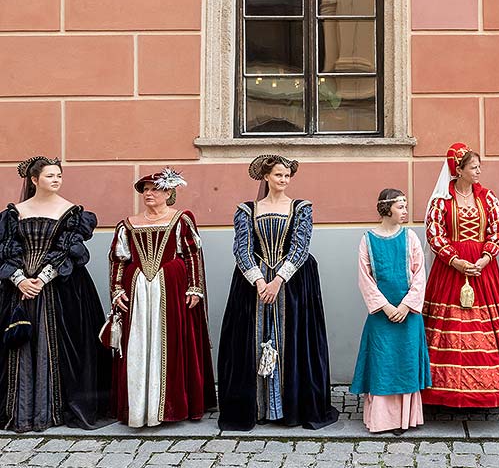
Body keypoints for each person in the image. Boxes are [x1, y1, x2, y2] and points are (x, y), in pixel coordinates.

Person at [217, 155, 339, 431]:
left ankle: (289, 408)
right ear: (266, 177)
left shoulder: (301, 208)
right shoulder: (247, 210)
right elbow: (242, 248)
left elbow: (300, 246)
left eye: (287, 176)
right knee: (253, 340)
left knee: (292, 342)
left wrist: (278, 280)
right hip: (252, 286)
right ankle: (258, 407)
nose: (283, 180)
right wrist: (260, 281)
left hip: (293, 284)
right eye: (278, 175)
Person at [0, 157, 110, 432]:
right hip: (19, 289)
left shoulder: (72, 212)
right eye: (50, 176)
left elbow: (68, 251)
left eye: (59, 175)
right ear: (34, 180)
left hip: (61, 288)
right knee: (19, 342)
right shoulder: (14, 213)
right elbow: (5, 249)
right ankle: (22, 409)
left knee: (62, 345)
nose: (56, 179)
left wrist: (41, 279)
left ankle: (54, 410)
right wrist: (19, 280)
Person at [421, 143, 499, 407]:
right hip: (450, 272)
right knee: (448, 326)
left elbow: (498, 228)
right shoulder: (441, 201)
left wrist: (485, 257)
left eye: (479, 166)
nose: (479, 171)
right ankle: (442, 390)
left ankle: (490, 389)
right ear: (458, 170)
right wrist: (455, 260)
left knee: (485, 326)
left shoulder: (487, 197)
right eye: (473, 166)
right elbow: (434, 233)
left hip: (483, 271)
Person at [108, 168, 216, 427]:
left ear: (168, 192)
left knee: (171, 342)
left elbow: (191, 255)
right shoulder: (128, 224)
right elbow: (119, 260)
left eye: (154, 189)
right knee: (138, 342)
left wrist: (194, 287)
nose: (148, 194)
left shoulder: (180, 220)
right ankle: (139, 406)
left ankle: (170, 407)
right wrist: (117, 290)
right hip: (138, 295)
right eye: (145, 190)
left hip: (171, 292)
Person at [350, 189, 430, 434]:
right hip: (381, 315)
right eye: (400, 206)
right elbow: (365, 279)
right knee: (383, 362)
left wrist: (405, 306)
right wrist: (386, 307)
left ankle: (405, 419)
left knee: (405, 362)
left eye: (406, 206)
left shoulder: (411, 238)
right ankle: (382, 420)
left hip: (409, 314)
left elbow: (419, 275)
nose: (405, 211)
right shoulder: (368, 239)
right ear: (386, 209)